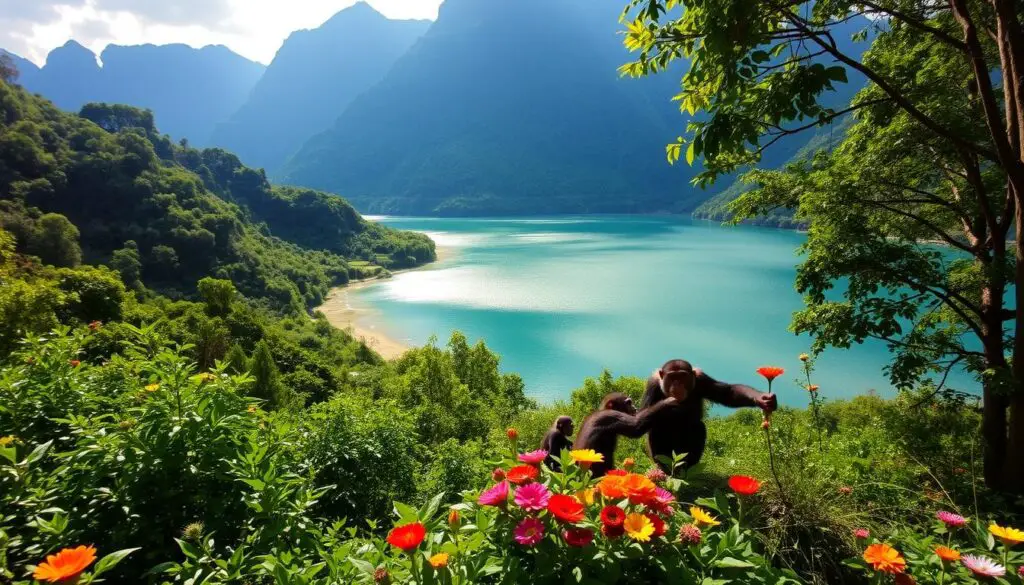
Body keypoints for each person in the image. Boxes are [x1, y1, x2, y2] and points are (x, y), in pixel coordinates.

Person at [642, 359, 777, 472]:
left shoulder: (699, 380)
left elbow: (728, 393)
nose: (677, 384)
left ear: (693, 375)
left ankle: (688, 472)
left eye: (682, 378)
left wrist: (756, 397)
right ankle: (663, 471)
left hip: (691, 431)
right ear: (661, 375)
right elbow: (643, 420)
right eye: (672, 378)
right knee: (655, 431)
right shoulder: (655, 386)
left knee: (699, 429)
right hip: (663, 435)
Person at [573, 392, 679, 477]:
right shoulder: (607, 416)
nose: (634, 408)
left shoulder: (595, 418)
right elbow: (636, 427)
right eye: (628, 404)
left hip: (584, 474)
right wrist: (665, 404)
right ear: (611, 405)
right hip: (593, 476)